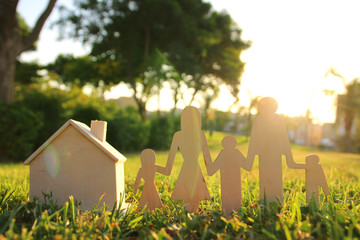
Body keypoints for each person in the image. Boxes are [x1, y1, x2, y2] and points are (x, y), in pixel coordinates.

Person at [245, 97, 305, 203]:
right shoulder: (258, 120)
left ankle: (276, 201)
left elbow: (284, 138)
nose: (267, 109)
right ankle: (265, 200)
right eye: (265, 106)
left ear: (274, 107)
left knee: (276, 178)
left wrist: (289, 158)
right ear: (261, 108)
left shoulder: (279, 119)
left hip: (275, 153)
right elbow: (254, 139)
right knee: (264, 178)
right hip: (264, 153)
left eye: (270, 106)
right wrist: (250, 159)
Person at [164, 106, 211, 212]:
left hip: (193, 169)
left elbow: (208, 162)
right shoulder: (179, 136)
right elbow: (169, 165)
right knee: (187, 194)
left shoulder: (200, 135)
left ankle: (192, 212)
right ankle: (189, 213)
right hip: (189, 169)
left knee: (194, 195)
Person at [205, 136, 247, 217]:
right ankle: (231, 213)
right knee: (231, 201)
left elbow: (211, 171)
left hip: (233, 183)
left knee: (234, 200)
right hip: (228, 184)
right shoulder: (229, 154)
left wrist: (206, 153)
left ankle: (232, 213)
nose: (229, 145)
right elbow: (247, 166)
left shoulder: (226, 154)